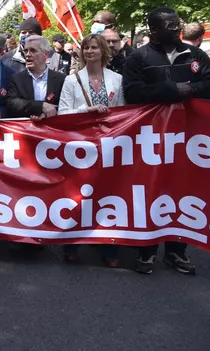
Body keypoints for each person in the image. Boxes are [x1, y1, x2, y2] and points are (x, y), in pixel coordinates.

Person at [123, 7, 210, 275]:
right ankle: (147, 250)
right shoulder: (138, 58)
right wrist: (169, 90)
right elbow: (133, 93)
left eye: (177, 23)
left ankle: (177, 251)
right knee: (152, 191)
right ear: (154, 30)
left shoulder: (196, 55)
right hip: (151, 139)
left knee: (183, 192)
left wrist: (190, 89)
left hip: (188, 139)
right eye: (169, 25)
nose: (177, 28)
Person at [58, 33, 125, 267]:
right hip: (80, 146)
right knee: (77, 196)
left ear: (103, 50)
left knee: (108, 195)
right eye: (86, 48)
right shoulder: (71, 80)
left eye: (94, 47)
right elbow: (62, 113)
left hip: (108, 146)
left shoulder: (117, 79)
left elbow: (123, 112)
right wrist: (85, 111)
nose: (89, 51)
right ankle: (71, 245)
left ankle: (109, 247)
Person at [5, 35, 66, 120]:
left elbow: (66, 106)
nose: (28, 54)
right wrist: (40, 106)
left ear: (46, 54)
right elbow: (11, 103)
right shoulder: (16, 79)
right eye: (25, 51)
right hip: (26, 127)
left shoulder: (61, 79)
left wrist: (47, 113)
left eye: (33, 50)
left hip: (53, 126)